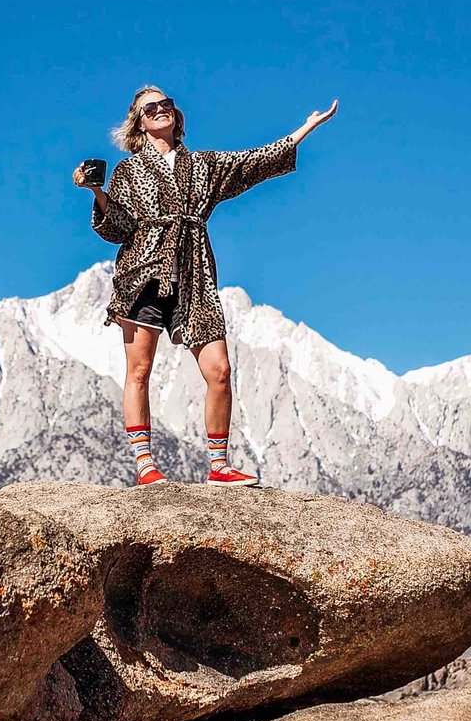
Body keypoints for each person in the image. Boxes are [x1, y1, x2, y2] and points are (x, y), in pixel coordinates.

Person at [74, 84, 337, 485]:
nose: (161, 111)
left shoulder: (203, 166)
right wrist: (97, 191)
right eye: (151, 109)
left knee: (219, 369)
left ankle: (219, 466)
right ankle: (144, 464)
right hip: (143, 272)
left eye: (167, 105)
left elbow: (254, 162)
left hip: (194, 273)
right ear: (140, 124)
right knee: (140, 368)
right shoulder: (129, 171)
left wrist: (304, 130)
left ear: (176, 116)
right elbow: (119, 227)